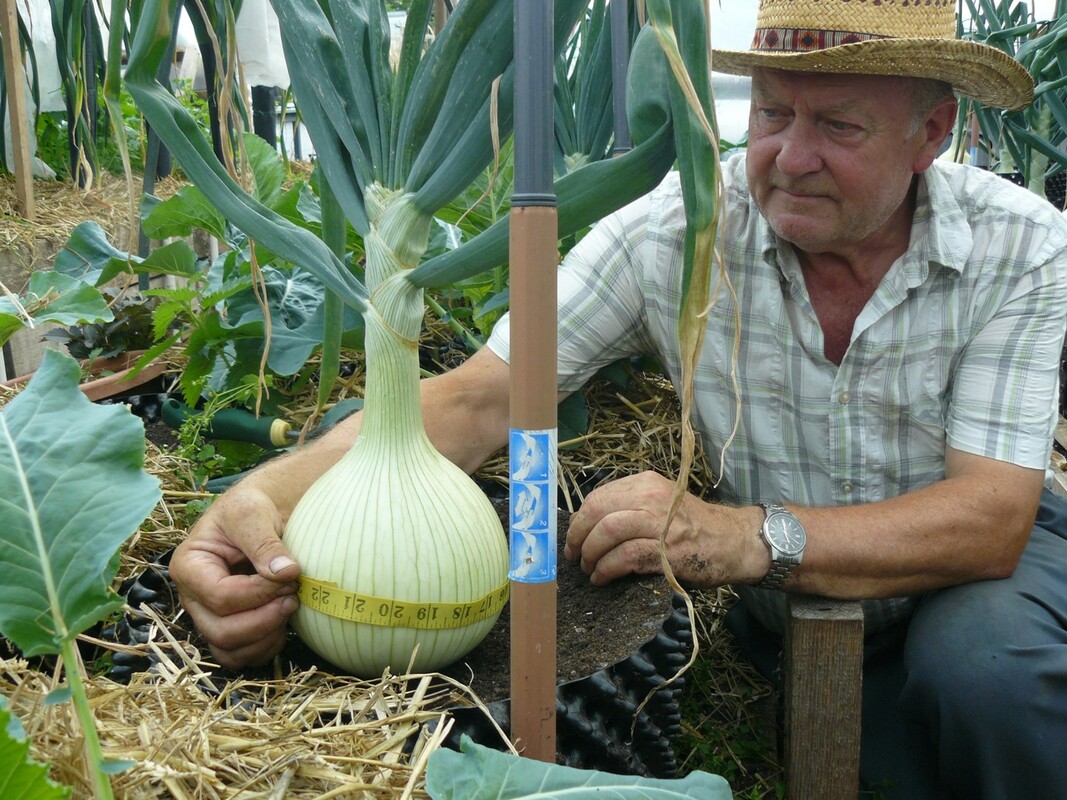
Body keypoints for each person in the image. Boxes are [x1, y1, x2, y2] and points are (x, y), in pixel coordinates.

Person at [170, 0, 1067, 796]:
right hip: (787, 603)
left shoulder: (1020, 246)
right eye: (770, 114)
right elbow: (482, 399)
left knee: (982, 668)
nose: (790, 157)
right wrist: (256, 501)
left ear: (931, 134)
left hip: (979, 578)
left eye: (838, 125)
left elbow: (989, 519)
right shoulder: (678, 228)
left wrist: (745, 534)